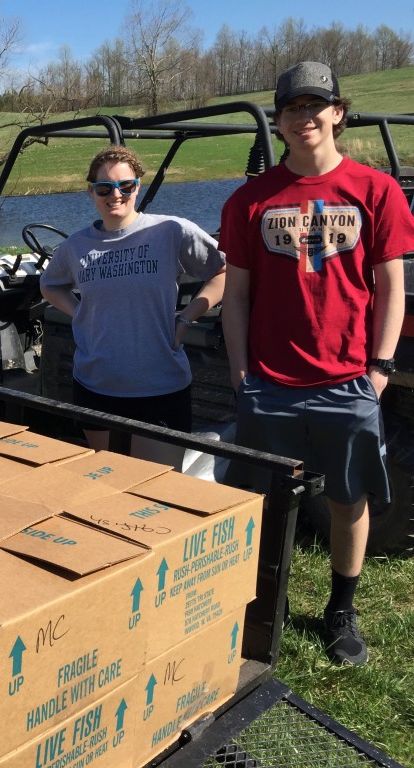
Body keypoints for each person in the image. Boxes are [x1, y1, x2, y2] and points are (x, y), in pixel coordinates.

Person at [219, 61, 414, 666]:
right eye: (291, 108)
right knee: (261, 497)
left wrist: (379, 368)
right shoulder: (251, 200)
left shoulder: (375, 190)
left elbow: (390, 286)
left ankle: (341, 608)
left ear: (337, 112)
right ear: (278, 122)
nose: (304, 117)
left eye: (315, 105)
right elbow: (237, 295)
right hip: (270, 380)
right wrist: (238, 369)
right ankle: (257, 602)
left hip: (347, 380)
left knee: (347, 497)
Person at [39, 145, 226, 467]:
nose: (116, 195)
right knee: (109, 481)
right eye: (105, 187)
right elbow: (50, 284)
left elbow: (224, 272)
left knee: (159, 487)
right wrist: (79, 311)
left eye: (126, 186)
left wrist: (187, 319)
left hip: (160, 387)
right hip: (96, 385)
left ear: (137, 186)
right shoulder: (75, 246)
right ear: (91, 191)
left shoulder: (171, 231)